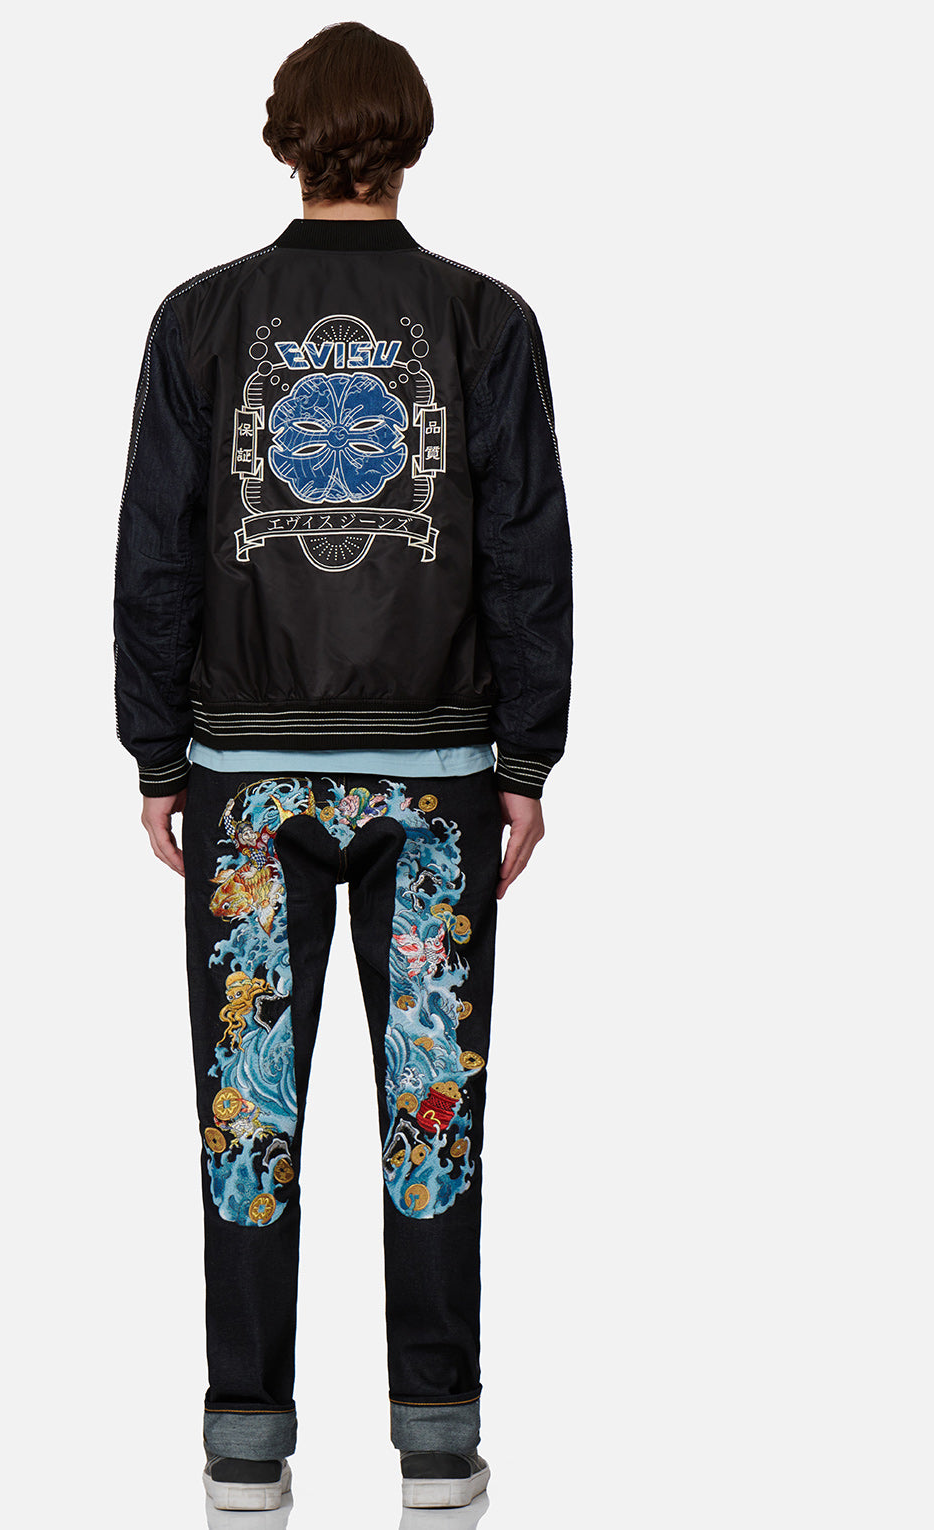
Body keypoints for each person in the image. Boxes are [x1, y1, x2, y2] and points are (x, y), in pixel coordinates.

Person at [113, 21, 573, 1512]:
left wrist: (155, 753)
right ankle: (437, 1432)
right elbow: (526, 550)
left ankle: (246, 1435)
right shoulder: (486, 321)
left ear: (285, 139)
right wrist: (527, 757)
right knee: (434, 1101)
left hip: (248, 780)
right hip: (437, 778)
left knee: (246, 1106)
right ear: (411, 140)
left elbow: (156, 550)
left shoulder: (200, 320)